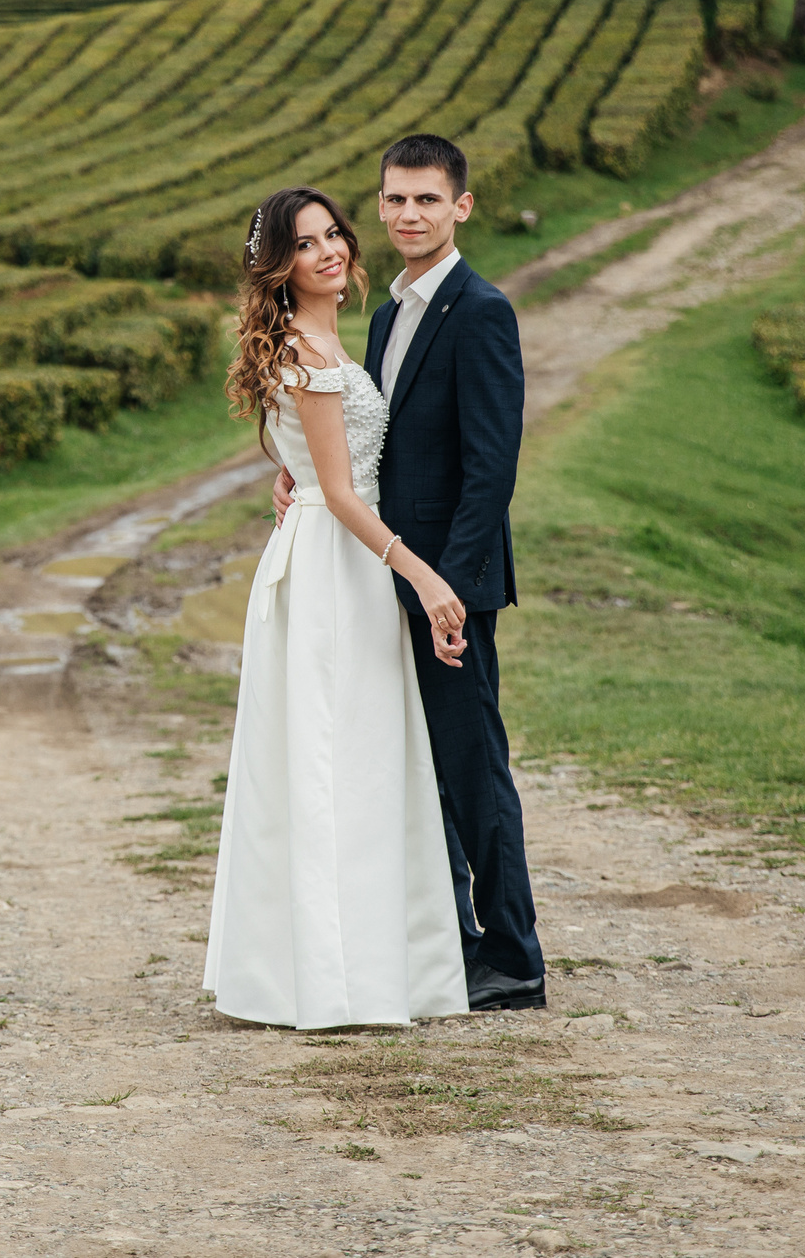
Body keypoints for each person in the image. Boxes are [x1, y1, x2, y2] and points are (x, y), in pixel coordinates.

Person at [272, 134, 545, 1012]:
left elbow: (489, 469)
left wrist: (449, 592)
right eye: (395, 200)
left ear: (461, 206)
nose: (408, 215)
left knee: (472, 765)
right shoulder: (386, 316)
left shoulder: (482, 309)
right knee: (410, 766)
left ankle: (511, 956)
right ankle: (446, 944)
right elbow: (366, 443)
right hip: (380, 573)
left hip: (445, 586)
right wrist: (299, 473)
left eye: (428, 199)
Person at [200, 185, 471, 1030]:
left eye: (332, 235)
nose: (328, 251)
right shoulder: (306, 351)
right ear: (280, 267)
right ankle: (325, 976)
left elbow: (321, 466)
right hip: (332, 565)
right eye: (305, 243)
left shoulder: (322, 339)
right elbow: (347, 497)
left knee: (362, 757)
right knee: (327, 759)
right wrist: (425, 577)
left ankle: (372, 964)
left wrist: (296, 472)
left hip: (337, 555)